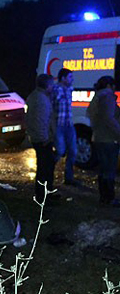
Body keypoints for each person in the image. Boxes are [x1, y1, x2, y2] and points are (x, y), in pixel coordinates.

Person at [87, 76, 120, 207]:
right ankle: (109, 198)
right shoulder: (107, 97)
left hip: (99, 137)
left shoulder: (98, 97)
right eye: (113, 86)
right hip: (108, 139)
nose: (115, 88)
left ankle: (104, 197)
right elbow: (109, 119)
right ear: (109, 86)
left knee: (103, 169)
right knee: (109, 169)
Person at [26, 74, 56, 203]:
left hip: (38, 138)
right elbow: (41, 121)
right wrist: (45, 138)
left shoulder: (35, 96)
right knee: (45, 169)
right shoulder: (41, 100)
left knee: (45, 168)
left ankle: (46, 194)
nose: (53, 87)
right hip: (42, 140)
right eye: (52, 85)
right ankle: (43, 197)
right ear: (47, 85)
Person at [51, 68, 79, 185]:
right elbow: (51, 107)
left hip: (68, 124)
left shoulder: (69, 89)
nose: (72, 80)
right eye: (70, 77)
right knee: (60, 151)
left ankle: (69, 178)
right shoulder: (55, 90)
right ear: (63, 78)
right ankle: (47, 172)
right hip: (58, 125)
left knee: (73, 151)